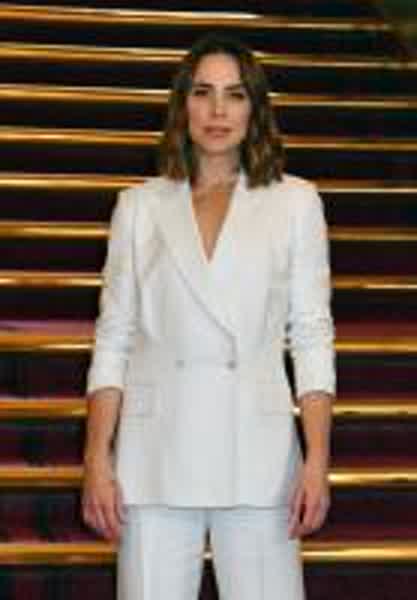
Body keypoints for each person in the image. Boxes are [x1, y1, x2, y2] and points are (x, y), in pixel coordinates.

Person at [82, 34, 335, 600]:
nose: (218, 111)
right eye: (203, 92)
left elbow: (312, 336)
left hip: (260, 454)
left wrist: (317, 458)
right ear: (183, 105)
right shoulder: (138, 207)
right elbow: (113, 339)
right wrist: (97, 457)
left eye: (235, 94)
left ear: (255, 108)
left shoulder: (295, 202)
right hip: (154, 455)